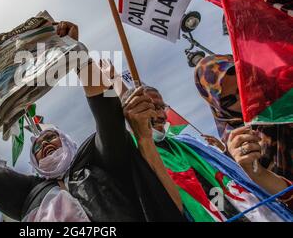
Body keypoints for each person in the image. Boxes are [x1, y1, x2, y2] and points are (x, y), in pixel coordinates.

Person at [0, 21, 185, 222]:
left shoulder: (99, 163)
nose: (44, 144)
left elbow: (108, 111)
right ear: (33, 162)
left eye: (51, 138)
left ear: (69, 142)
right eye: (37, 147)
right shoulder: (28, 193)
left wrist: (77, 55)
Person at [100, 60, 293, 221]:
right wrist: (89, 67)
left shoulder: (195, 147)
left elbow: (259, 186)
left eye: (160, 107)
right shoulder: (129, 155)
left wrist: (249, 168)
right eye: (145, 107)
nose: (156, 114)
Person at [194, 54, 293, 210]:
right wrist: (252, 172)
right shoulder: (234, 152)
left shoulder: (287, 101)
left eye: (243, 86)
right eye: (229, 100)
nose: (242, 99)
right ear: (220, 109)